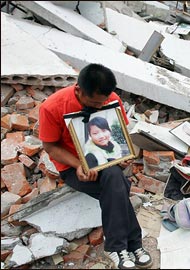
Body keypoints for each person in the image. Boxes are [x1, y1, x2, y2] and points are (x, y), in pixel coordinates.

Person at [39, 63, 152, 269]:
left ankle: (116, 247)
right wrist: (79, 164)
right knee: (118, 187)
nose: (100, 107)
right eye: (93, 103)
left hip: (107, 163)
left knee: (114, 179)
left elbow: (119, 136)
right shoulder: (53, 107)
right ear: (78, 90)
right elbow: (50, 147)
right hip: (73, 168)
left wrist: (124, 156)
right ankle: (132, 244)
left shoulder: (112, 100)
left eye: (103, 102)